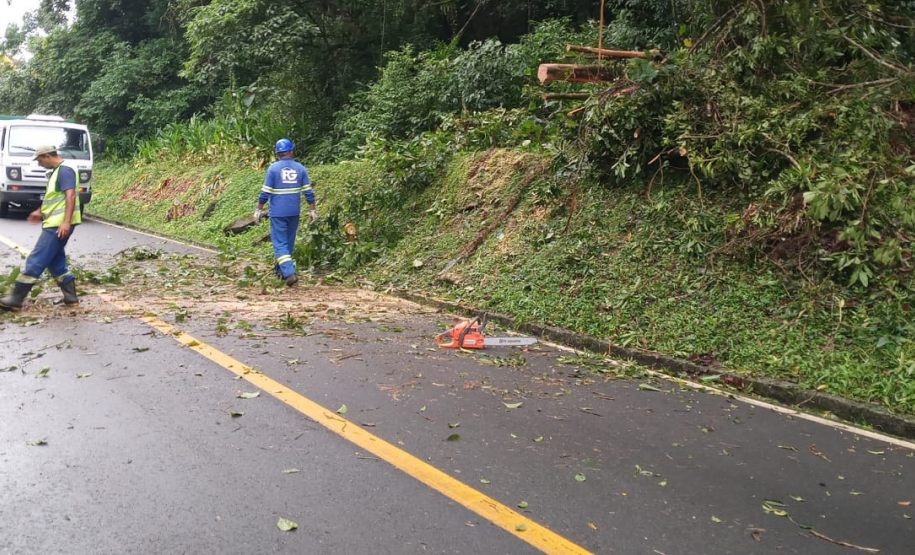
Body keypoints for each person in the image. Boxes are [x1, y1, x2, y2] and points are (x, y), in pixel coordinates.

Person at [0, 144, 81, 311]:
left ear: (47, 156)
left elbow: (70, 195)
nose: (39, 164)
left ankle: (16, 298)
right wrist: (40, 211)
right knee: (56, 263)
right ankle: (71, 298)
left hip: (58, 225)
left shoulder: (64, 170)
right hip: (55, 223)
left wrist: (66, 222)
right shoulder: (58, 171)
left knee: (36, 259)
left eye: (39, 161)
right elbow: (55, 199)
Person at [254, 138, 316, 286]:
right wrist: (312, 210)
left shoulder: (273, 169)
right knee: (288, 243)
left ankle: (289, 273)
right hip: (294, 212)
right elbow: (308, 192)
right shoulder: (300, 168)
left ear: (277, 153)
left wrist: (258, 209)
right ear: (291, 151)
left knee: (280, 244)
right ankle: (280, 271)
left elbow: (265, 192)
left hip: (278, 213)